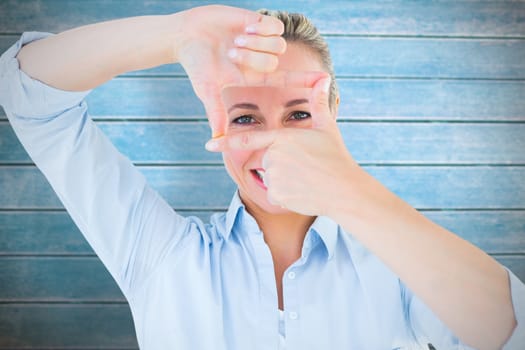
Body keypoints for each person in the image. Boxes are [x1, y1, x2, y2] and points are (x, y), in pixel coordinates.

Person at [0, 4, 523, 350]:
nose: (275, 140)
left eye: (299, 114)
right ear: (218, 124)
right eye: (246, 116)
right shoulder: (162, 256)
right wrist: (178, 33)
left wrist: (350, 189)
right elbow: (27, 93)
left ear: (334, 113)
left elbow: (509, 332)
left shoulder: (398, 263)